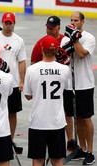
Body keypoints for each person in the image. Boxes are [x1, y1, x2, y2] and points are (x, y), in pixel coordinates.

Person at [22, 36, 71, 166]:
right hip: (57, 122)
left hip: (38, 122)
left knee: (37, 161)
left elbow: (27, 95)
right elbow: (66, 92)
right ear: (57, 50)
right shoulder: (64, 70)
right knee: (58, 161)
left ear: (42, 50)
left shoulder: (32, 69)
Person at [31, 15, 77, 151]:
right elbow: (33, 62)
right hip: (47, 83)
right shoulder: (41, 42)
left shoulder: (66, 41)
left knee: (68, 113)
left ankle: (70, 139)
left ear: (58, 27)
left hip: (64, 82)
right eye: (48, 28)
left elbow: (74, 60)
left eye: (52, 28)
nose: (49, 30)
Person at [0, 12, 26, 151]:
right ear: (2, 23)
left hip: (13, 83)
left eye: (11, 23)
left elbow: (22, 61)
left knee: (12, 112)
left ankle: (10, 140)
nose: (8, 25)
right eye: (6, 23)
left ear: (14, 24)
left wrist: (22, 81)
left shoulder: (18, 40)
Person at [61, 11, 96, 165]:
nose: (73, 22)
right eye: (71, 20)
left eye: (76, 20)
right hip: (70, 84)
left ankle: (90, 151)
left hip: (85, 83)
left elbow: (81, 54)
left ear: (83, 21)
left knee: (86, 118)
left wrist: (75, 39)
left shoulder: (89, 38)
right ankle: (81, 148)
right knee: (77, 118)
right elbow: (64, 56)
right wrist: (70, 40)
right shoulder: (65, 38)